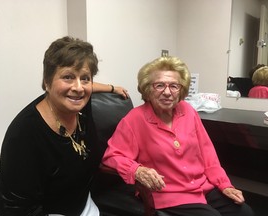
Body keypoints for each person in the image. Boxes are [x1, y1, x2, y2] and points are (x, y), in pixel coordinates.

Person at [0, 36, 128, 216]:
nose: (78, 87)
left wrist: (112, 88)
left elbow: (84, 86)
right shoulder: (26, 133)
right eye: (68, 77)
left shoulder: (81, 106)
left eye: (85, 78)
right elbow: (20, 208)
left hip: (80, 204)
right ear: (47, 82)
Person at [102, 56, 255, 216]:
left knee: (244, 212)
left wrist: (224, 185)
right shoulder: (134, 119)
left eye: (174, 86)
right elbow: (112, 156)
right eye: (159, 85)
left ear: (181, 90)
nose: (167, 92)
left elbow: (208, 154)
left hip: (201, 187)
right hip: (168, 194)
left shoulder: (188, 111)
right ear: (148, 88)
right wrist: (137, 170)